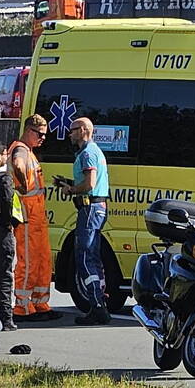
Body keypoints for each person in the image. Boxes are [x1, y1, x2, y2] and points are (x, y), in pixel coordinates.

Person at [54, 117, 111, 325]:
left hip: (89, 208)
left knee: (85, 257)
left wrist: (71, 189)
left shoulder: (88, 153)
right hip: (95, 208)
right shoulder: (93, 151)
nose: (70, 133)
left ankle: (97, 306)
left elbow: (89, 184)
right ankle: (99, 302)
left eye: (73, 130)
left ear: (84, 130)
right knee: (93, 257)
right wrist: (68, 183)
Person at [8, 114, 61, 322]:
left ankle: (40, 302)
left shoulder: (29, 151)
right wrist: (21, 184)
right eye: (39, 134)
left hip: (37, 215)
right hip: (28, 215)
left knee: (42, 259)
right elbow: (18, 165)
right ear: (29, 130)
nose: (43, 138)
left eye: (45, 135)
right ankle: (22, 306)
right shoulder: (21, 149)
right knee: (28, 261)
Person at [0, 140, 22, 331]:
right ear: (0, 156)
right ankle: (6, 319)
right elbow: (8, 200)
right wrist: (9, 222)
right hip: (1, 230)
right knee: (4, 276)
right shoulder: (2, 177)